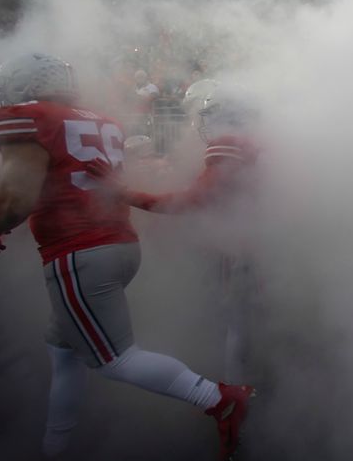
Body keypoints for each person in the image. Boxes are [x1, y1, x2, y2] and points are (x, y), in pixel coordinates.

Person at [0, 53, 254, 461]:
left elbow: (15, 198)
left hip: (77, 249)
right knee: (63, 348)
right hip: (116, 242)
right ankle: (56, 446)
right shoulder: (99, 120)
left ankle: (219, 398)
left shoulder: (28, 117)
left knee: (115, 359)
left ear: (24, 84)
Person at [88, 85, 262, 385]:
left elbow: (193, 201)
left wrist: (126, 194)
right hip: (257, 240)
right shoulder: (260, 142)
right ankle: (248, 383)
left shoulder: (231, 142)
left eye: (214, 115)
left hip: (234, 246)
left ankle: (234, 392)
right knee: (245, 317)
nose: (206, 123)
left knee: (231, 321)